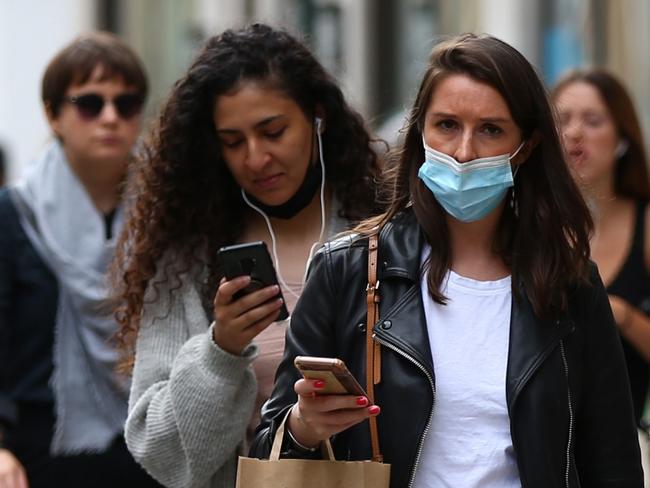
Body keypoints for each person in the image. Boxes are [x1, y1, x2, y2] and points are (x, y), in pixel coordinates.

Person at [250, 33, 644, 487]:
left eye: (491, 130)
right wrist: (304, 424)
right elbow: (269, 451)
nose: (463, 152)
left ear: (527, 147)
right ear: (421, 131)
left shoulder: (569, 283)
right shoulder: (348, 269)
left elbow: (613, 463)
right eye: (447, 125)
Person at [114, 23, 381, 488]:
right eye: (233, 142)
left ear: (318, 116)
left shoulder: (381, 231)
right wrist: (222, 350)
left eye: (273, 131)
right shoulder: (190, 258)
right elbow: (158, 452)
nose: (256, 158)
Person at [0, 32, 159, 488]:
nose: (110, 117)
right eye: (90, 103)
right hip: (39, 454)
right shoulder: (14, 214)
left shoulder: (168, 212)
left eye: (126, 104)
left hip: (153, 449)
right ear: (53, 115)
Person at [553, 69, 650, 426]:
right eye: (562, 120)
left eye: (592, 121)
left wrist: (622, 316)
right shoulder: (519, 224)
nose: (575, 132)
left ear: (623, 139)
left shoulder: (646, 224)